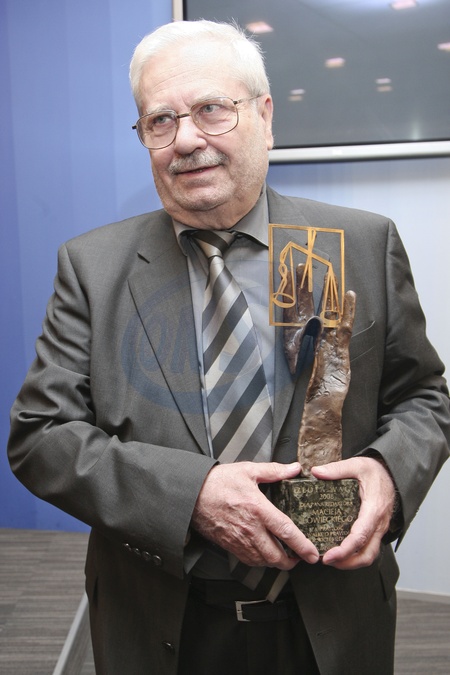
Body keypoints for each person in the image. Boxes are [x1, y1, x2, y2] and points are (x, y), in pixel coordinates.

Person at [7, 19, 450, 675]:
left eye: (211, 109)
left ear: (264, 117)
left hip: (332, 617)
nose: (186, 139)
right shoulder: (92, 268)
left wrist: (390, 473)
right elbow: (40, 436)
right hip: (162, 622)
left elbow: (422, 397)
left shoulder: (359, 244)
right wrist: (192, 496)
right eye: (160, 120)